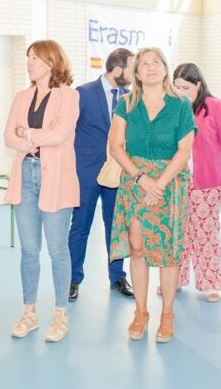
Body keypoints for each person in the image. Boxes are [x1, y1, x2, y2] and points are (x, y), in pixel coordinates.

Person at [109, 47, 195, 343]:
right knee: (138, 247)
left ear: (165, 68)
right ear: (136, 73)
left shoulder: (181, 103)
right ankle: (141, 312)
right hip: (135, 181)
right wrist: (141, 178)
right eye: (144, 64)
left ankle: (167, 314)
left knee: (169, 252)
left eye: (156, 62)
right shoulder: (126, 104)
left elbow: (185, 149)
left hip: (171, 183)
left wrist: (159, 183)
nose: (150, 67)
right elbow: (116, 146)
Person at [4, 40, 79, 343]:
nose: (29, 62)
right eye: (28, 58)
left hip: (56, 178)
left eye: (35, 58)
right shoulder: (22, 96)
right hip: (25, 175)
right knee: (28, 250)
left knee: (58, 250)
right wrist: (32, 139)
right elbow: (9, 136)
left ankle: (60, 314)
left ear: (51, 62)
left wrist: (28, 134)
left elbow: (61, 134)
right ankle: (30, 312)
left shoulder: (69, 96)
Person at [67, 48, 135, 302]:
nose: (134, 75)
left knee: (116, 227)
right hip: (86, 172)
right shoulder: (82, 94)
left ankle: (117, 276)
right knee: (80, 225)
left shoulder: (130, 99)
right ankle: (73, 278)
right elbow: (69, 132)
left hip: (118, 172)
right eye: (131, 69)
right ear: (117, 69)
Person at [173, 63, 221, 302]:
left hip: (208, 181)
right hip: (179, 179)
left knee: (205, 232)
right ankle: (176, 278)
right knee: (179, 231)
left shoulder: (215, 107)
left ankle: (211, 283)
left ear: (198, 84)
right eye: (176, 87)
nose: (181, 92)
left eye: (185, 87)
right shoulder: (175, 108)